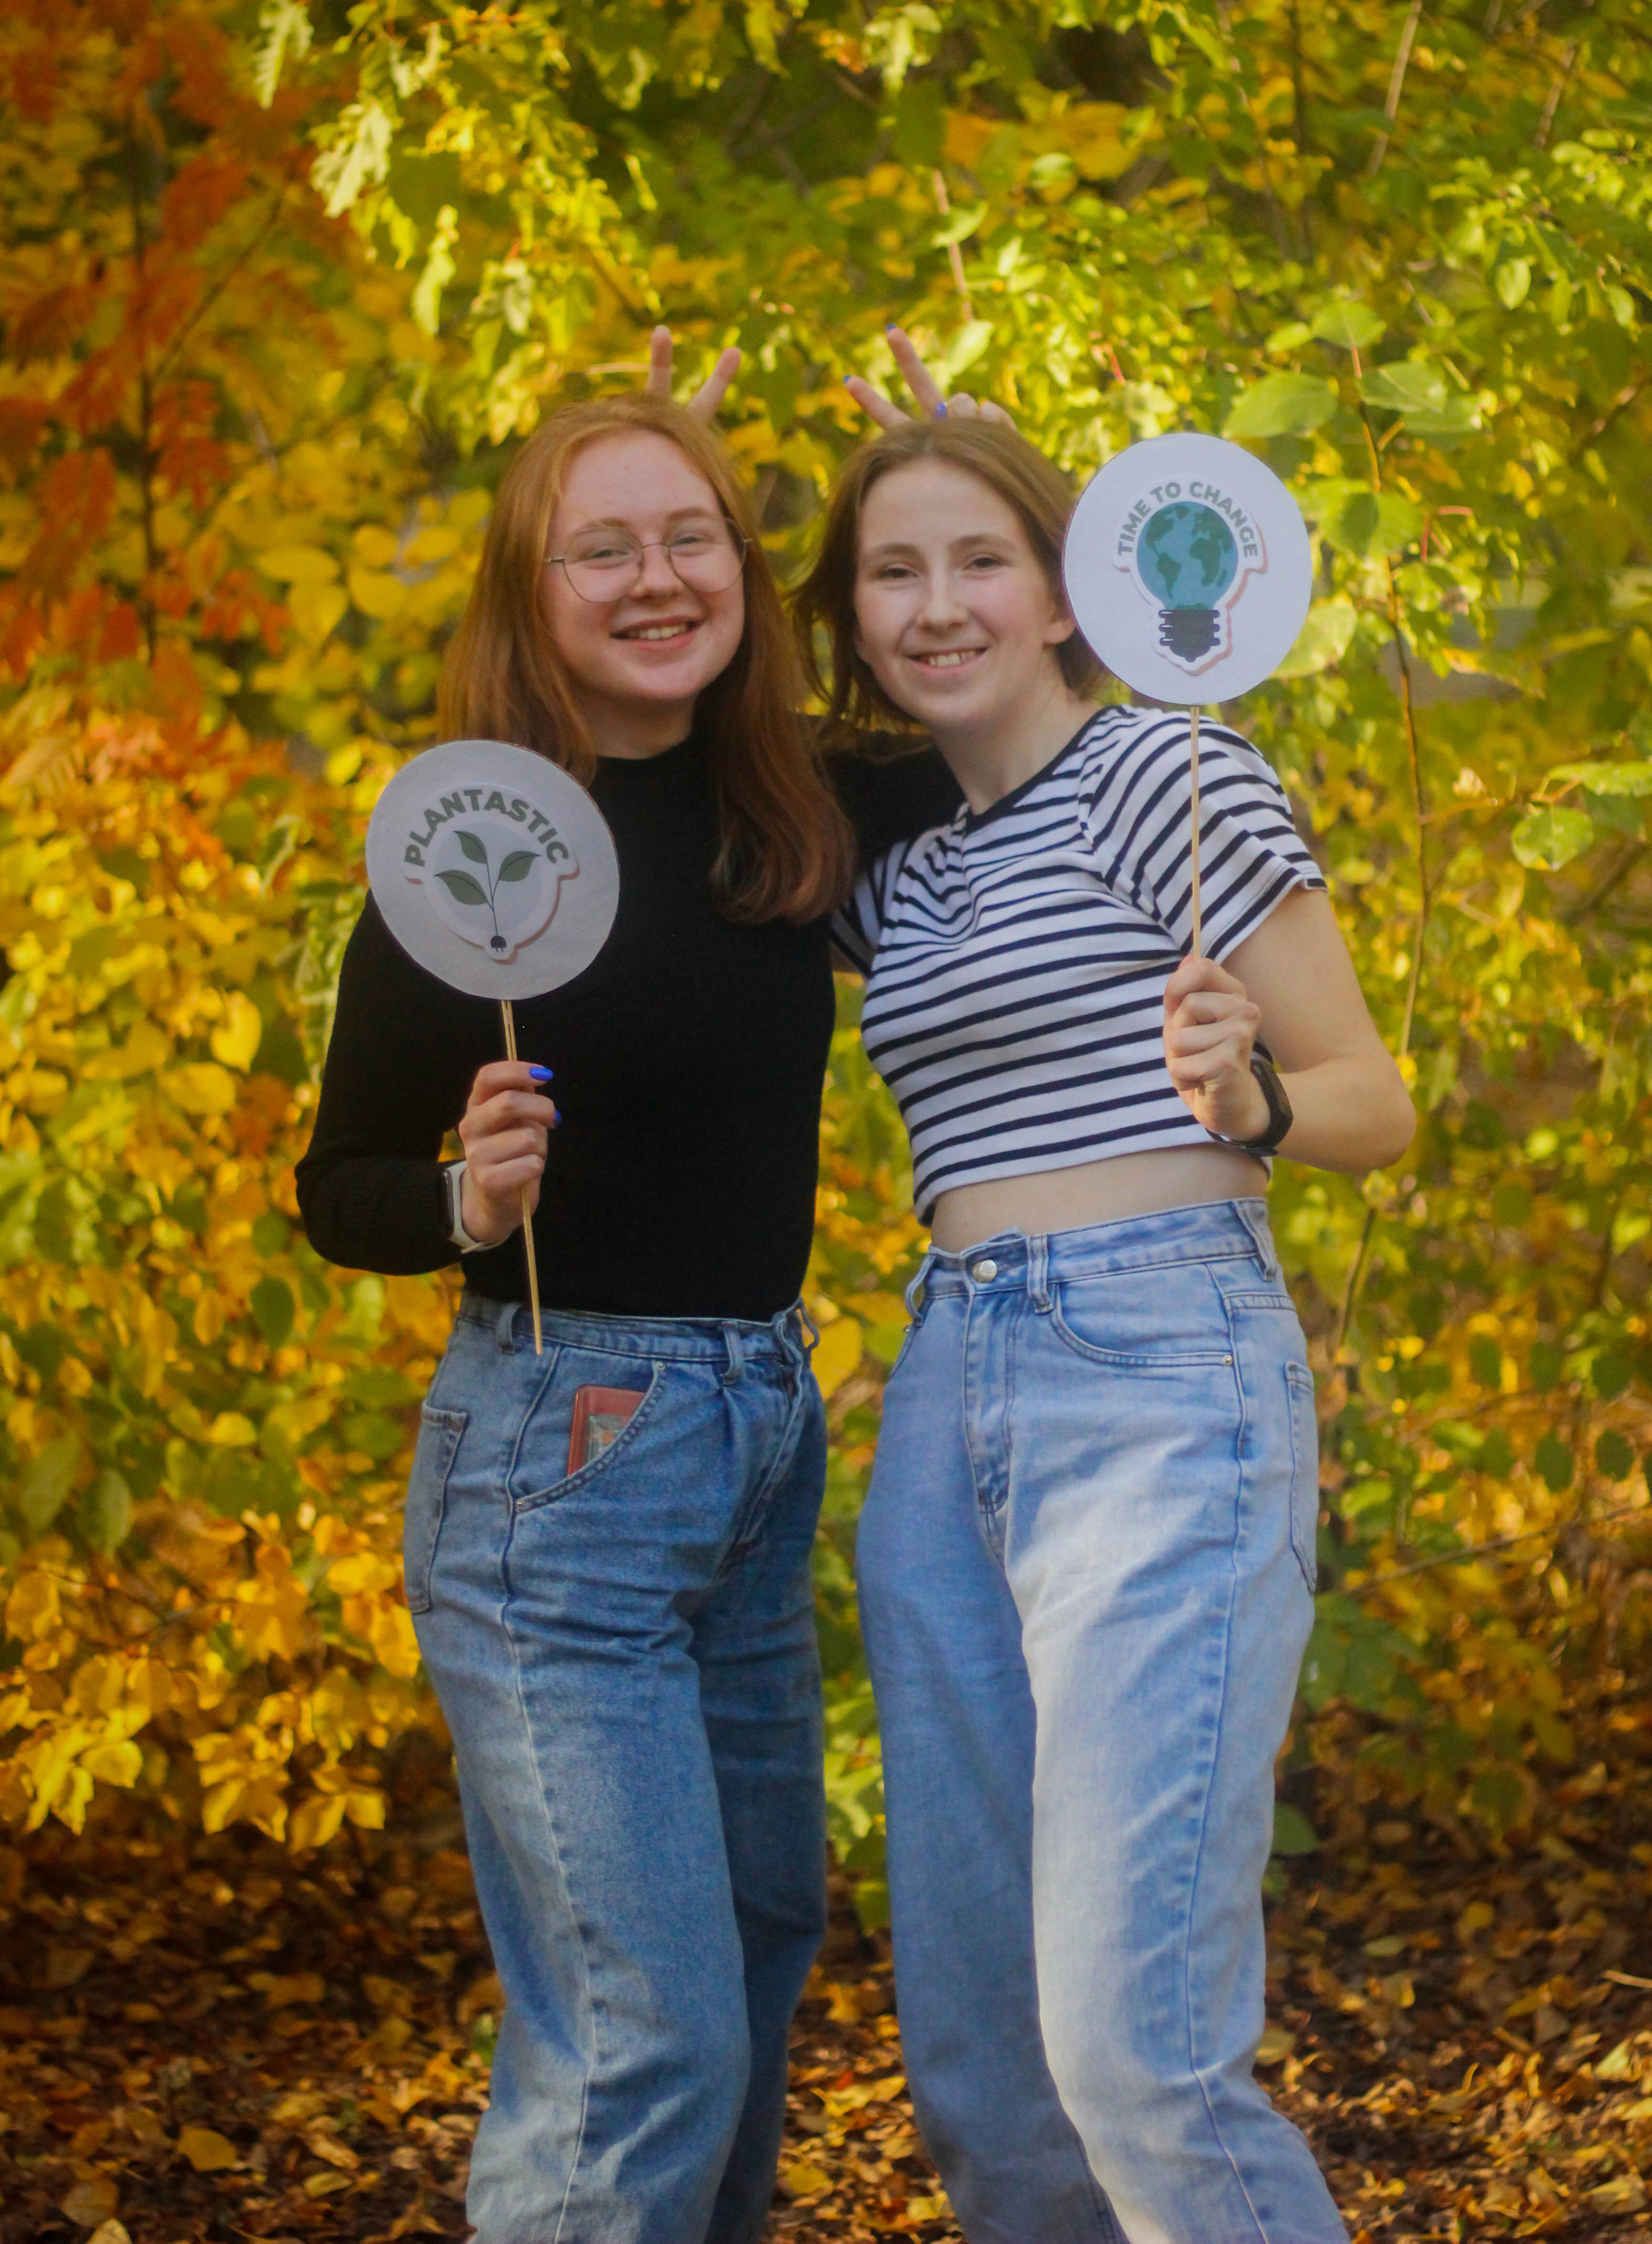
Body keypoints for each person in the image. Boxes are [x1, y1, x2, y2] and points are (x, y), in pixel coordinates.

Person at [296, 338, 956, 2244]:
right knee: (641, 2030)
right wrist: (460, 1201)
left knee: (756, 1938)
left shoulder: (799, 805)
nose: (661, 580)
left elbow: (1016, 674)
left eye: (697, 540)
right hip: (555, 1464)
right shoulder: (473, 858)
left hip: (756, 1435)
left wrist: (944, 453)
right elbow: (340, 1186)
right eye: (605, 550)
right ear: (531, 594)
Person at [796, 353, 1415, 2244]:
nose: (937, 608)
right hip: (948, 1398)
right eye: (891, 575)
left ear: (1063, 587)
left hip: (1160, 1377)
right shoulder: (892, 866)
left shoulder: (1172, 769)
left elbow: (1378, 1108)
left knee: (1133, 2046)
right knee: (989, 2072)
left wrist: (1254, 1100)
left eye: (978, 557)